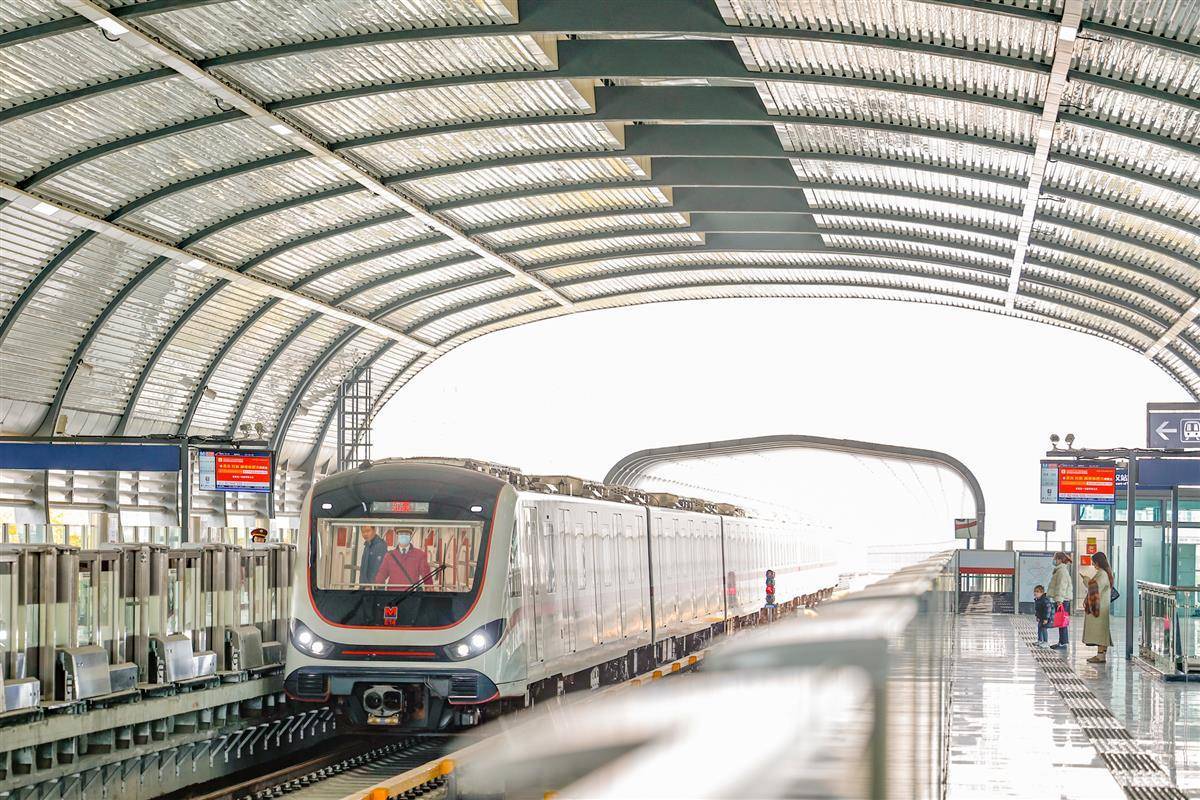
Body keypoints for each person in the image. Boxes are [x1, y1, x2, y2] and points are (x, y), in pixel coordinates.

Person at [1083, 551, 1115, 663]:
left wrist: (1086, 580)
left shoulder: (1102, 574)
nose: (1093, 565)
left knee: (1100, 632)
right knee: (1103, 631)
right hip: (1102, 606)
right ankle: (1101, 655)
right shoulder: (1105, 573)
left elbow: (1095, 587)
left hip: (1099, 608)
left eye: (1093, 562)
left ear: (1098, 562)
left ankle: (1100, 656)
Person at [1047, 551, 1073, 649]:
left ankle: (1063, 643)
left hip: (1062, 600)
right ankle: (1062, 642)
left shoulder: (1061, 571)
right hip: (1062, 599)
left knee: (1062, 622)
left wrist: (1059, 600)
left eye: (1055, 559)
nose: (1054, 560)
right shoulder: (1060, 570)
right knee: (1061, 621)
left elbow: (1061, 587)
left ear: (1060, 560)